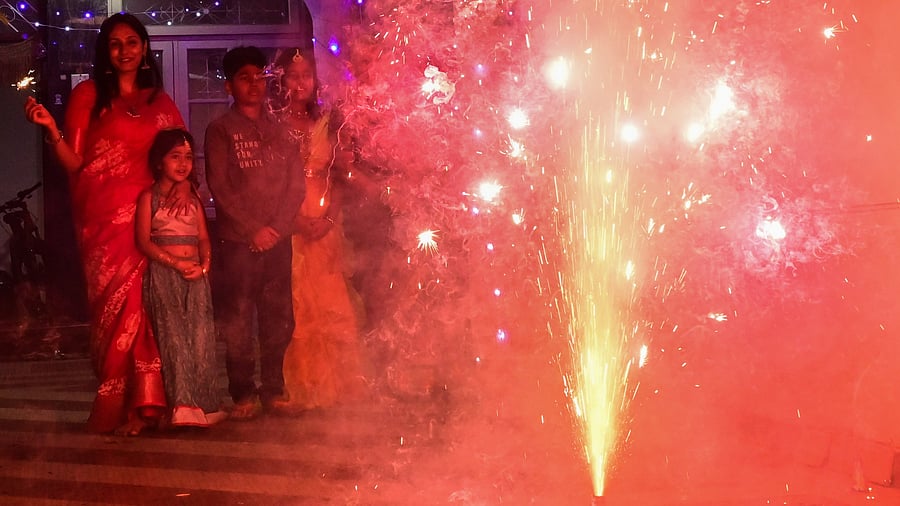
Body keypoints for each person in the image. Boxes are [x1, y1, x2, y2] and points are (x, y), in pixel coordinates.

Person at [23, 13, 188, 435]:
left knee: (148, 309)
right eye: (115, 44)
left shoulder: (159, 102)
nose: (125, 51)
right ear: (105, 52)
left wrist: (181, 202)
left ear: (145, 47)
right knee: (119, 311)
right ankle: (121, 400)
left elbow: (179, 156)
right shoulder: (88, 95)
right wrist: (50, 130)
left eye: (132, 42)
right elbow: (74, 163)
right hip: (104, 225)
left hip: (151, 219)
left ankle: (147, 405)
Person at [204, 46, 305, 420]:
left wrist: (276, 228)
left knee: (279, 316)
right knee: (240, 318)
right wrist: (253, 230)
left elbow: (296, 187)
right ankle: (243, 391)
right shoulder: (221, 130)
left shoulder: (281, 131)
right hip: (239, 244)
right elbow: (220, 186)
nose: (254, 84)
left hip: (277, 240)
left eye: (259, 76)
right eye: (244, 77)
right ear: (229, 86)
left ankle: (273, 388)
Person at [274, 47, 368, 411]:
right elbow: (270, 180)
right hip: (289, 215)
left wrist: (328, 218)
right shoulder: (273, 123)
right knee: (299, 299)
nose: (300, 83)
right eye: (293, 75)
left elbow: (340, 175)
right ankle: (305, 385)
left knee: (332, 297)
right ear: (280, 79)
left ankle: (343, 386)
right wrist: (294, 219)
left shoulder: (330, 121)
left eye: (307, 76)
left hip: (327, 214)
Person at [136, 128, 227, 428]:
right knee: (174, 338)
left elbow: (203, 237)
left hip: (195, 277)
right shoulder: (149, 198)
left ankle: (206, 403)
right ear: (159, 162)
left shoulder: (194, 199)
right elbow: (144, 242)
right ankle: (182, 405)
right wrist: (175, 263)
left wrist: (204, 267)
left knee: (201, 338)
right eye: (175, 156)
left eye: (188, 157)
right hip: (165, 276)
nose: (183, 163)